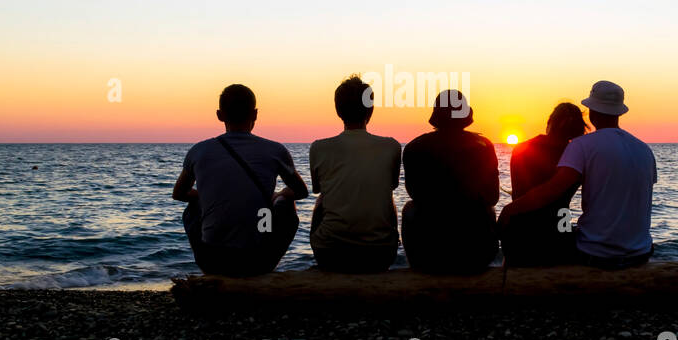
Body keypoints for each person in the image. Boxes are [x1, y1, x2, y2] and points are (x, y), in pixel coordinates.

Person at [499, 80, 656, 269]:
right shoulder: (644, 149)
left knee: (558, 233)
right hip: (641, 253)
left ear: (591, 111)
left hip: (596, 255)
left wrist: (509, 210)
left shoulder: (581, 147)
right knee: (564, 227)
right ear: (620, 112)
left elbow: (551, 191)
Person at [171, 83, 308, 276]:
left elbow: (179, 194)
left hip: (212, 260)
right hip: (258, 260)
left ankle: (209, 269)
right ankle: (268, 266)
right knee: (287, 204)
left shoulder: (199, 151)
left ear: (219, 115)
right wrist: (278, 195)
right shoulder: (275, 150)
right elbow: (301, 192)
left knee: (193, 207)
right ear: (255, 114)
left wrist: (209, 196)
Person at [308, 75, 402, 272]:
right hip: (380, 255)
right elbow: (391, 186)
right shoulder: (391, 146)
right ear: (370, 110)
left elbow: (319, 190)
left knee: (321, 199)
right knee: (390, 198)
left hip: (330, 254)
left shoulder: (319, 148)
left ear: (338, 110)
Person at [400, 90, 499, 274]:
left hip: (428, 254)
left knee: (409, 208)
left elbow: (415, 194)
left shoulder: (415, 147)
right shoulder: (484, 146)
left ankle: (416, 267)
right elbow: (493, 197)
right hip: (475, 255)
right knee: (489, 209)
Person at [499, 102, 588, 266]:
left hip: (521, 237)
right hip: (558, 236)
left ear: (550, 122)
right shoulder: (577, 157)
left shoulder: (522, 149)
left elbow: (519, 193)